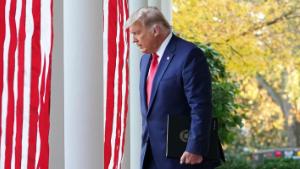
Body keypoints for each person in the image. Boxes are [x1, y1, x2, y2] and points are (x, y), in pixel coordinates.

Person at [126, 7, 222, 169]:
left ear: (155, 30)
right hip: (151, 156)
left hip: (183, 156)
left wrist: (195, 148)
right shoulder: (145, 61)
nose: (134, 40)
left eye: (137, 33)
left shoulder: (189, 55)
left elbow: (200, 106)